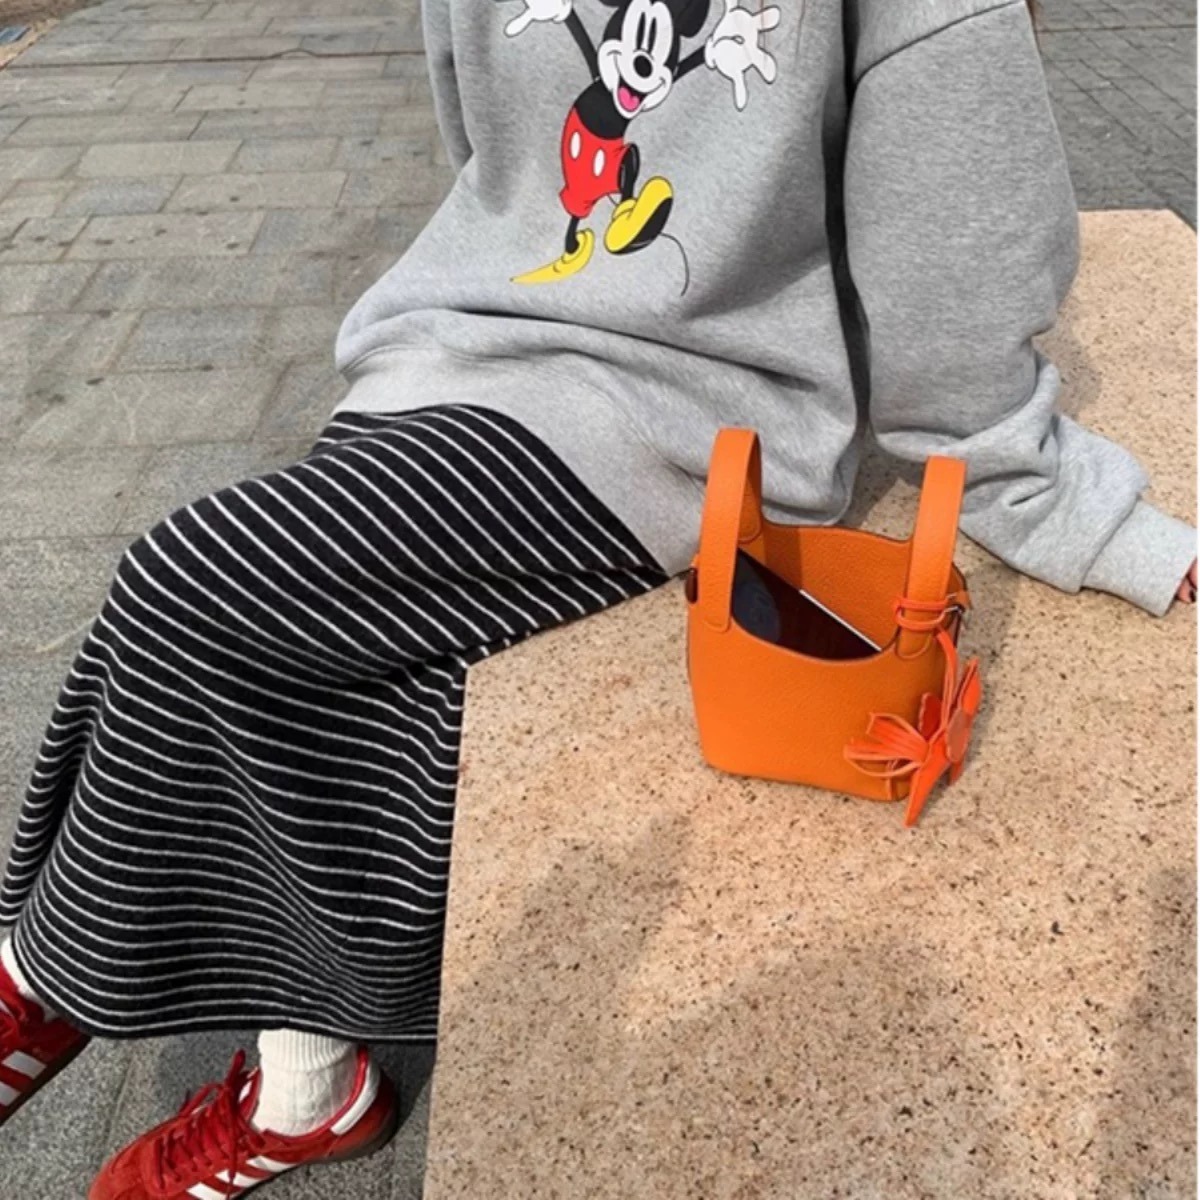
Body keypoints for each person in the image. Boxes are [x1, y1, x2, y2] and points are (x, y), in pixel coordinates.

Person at [1, 0, 1195, 1195]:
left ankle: (42, 976)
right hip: (468, 345)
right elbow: (493, 153)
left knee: (193, 580)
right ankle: (306, 1090)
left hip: (685, 397)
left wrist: (1038, 487)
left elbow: (956, 211)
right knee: (340, 663)